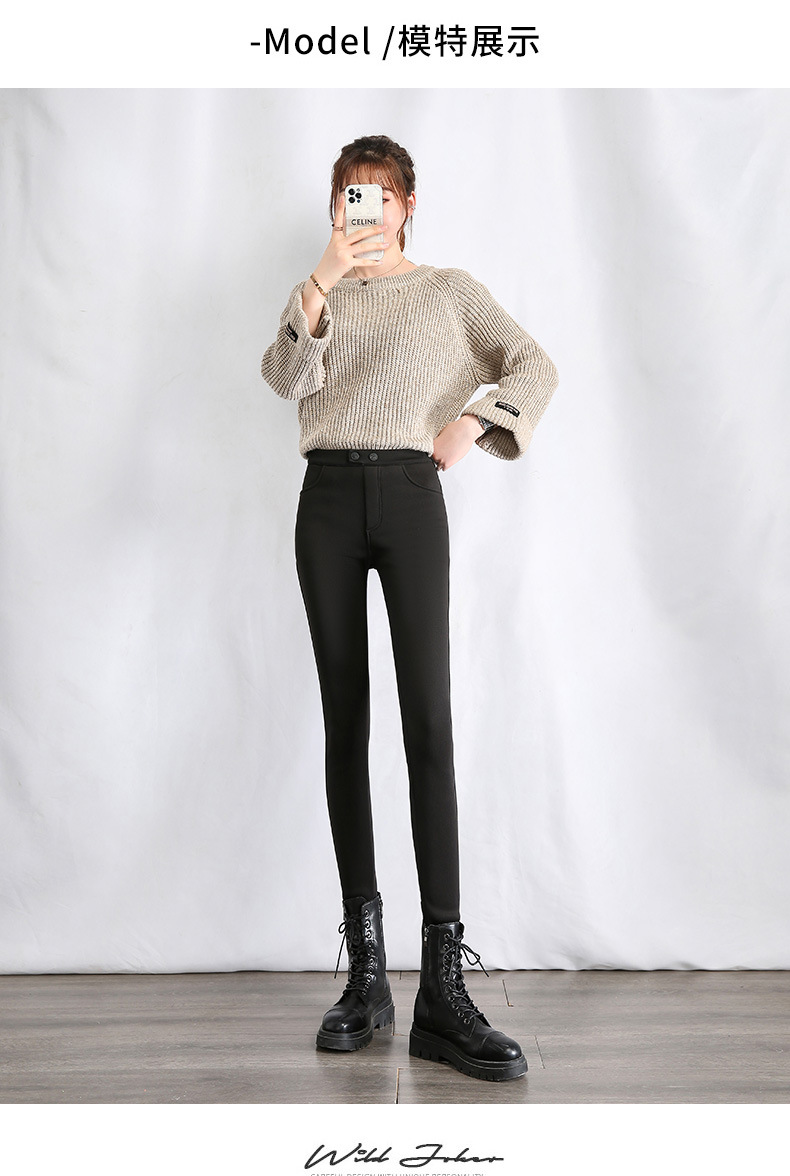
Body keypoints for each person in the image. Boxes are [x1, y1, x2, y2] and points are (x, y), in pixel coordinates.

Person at [260, 134, 559, 1083]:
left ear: (408, 205)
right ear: (335, 207)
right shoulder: (317, 296)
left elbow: (533, 363)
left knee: (429, 722)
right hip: (326, 501)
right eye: (349, 195)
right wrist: (320, 279)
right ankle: (366, 977)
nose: (365, 210)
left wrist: (475, 419)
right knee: (344, 722)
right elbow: (284, 379)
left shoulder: (448, 292)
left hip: (410, 496)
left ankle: (441, 986)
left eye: (379, 195)